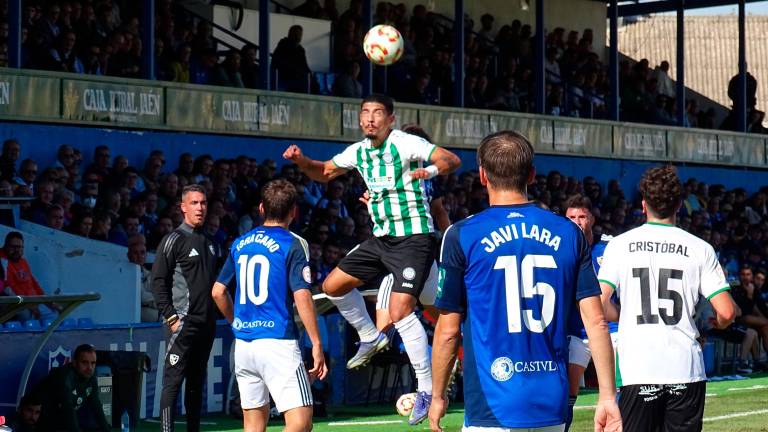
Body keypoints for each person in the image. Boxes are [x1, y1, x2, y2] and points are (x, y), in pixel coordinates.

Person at [283, 93, 461, 425]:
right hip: (382, 240)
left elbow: (450, 159)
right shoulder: (359, 151)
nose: (370, 118)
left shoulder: (405, 143)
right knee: (333, 286)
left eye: (377, 113)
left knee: (401, 310)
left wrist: (430, 170)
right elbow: (324, 171)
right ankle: (370, 335)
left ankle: (427, 389)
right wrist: (301, 160)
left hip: (414, 239)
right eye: (365, 112)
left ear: (390, 119)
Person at [428, 130, 622, 432]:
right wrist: (607, 396)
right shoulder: (568, 232)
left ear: (483, 175)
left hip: (491, 405)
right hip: (551, 401)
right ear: (531, 174)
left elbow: (449, 331)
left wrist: (437, 395)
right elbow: (596, 322)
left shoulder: (462, 234)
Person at [598, 165, 736, 432]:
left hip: (638, 367)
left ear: (643, 204)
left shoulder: (619, 245)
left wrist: (624, 314)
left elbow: (600, 304)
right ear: (679, 205)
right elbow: (727, 312)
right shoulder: (701, 248)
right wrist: (718, 324)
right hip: (685, 367)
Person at [212, 179, 328, 432]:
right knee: (301, 422)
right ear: (294, 211)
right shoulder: (293, 243)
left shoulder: (240, 243)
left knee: (253, 425)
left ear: (262, 208)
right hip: (278, 341)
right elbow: (302, 294)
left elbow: (218, 291)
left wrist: (236, 322)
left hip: (244, 345)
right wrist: (317, 343)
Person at [151, 184, 220, 432]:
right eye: (194, 203)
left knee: (196, 383)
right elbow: (157, 281)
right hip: (182, 323)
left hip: (206, 324)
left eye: (203, 203)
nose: (200, 208)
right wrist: (171, 317)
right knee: (172, 382)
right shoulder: (173, 240)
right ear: (183, 207)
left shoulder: (211, 242)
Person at [563, 194, 615, 431]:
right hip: (577, 330)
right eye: (571, 217)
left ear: (592, 219)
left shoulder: (610, 249)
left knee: (623, 387)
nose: (577, 221)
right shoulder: (559, 248)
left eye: (582, 216)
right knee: (567, 389)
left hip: (611, 328)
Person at [34, 344, 110, 432]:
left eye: (93, 363)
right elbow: (68, 408)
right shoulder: (64, 376)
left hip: (60, 423)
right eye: (84, 362)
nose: (90, 367)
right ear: (74, 363)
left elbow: (96, 405)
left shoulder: (90, 376)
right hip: (40, 424)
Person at [0, 231, 62, 322]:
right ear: (6, 246)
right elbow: (9, 290)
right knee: (26, 316)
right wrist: (27, 304)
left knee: (55, 312)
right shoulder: (3, 261)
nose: (17, 250)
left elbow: (34, 284)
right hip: (18, 302)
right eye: (13, 247)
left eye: (20, 247)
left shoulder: (23, 262)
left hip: (32, 301)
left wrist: (49, 302)